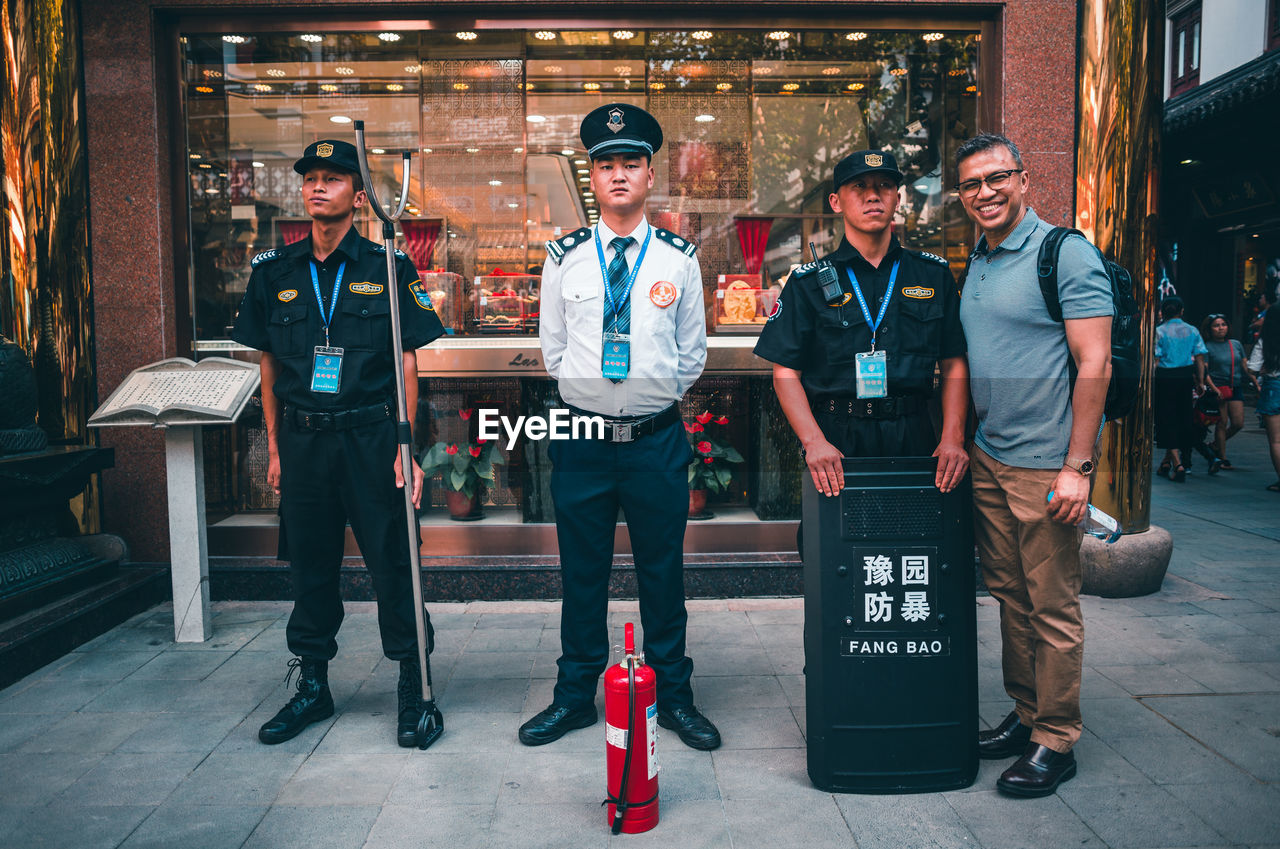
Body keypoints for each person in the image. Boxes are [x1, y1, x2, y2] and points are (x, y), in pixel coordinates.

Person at [231, 139, 445, 747]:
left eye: (332, 178)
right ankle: (313, 686)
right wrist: (275, 448)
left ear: (358, 194)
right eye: (310, 179)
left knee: (394, 562)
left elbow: (406, 365)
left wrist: (407, 446)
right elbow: (268, 367)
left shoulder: (386, 267)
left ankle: (413, 682)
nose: (317, 187)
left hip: (372, 438)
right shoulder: (274, 272)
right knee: (310, 565)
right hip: (304, 445)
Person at [522, 103, 720, 751]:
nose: (617, 175)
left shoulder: (678, 259)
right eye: (605, 164)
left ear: (649, 174)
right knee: (583, 573)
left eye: (629, 163)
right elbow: (554, 352)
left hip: (655, 439)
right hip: (581, 440)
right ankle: (576, 694)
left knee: (663, 573)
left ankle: (675, 695)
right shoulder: (564, 258)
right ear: (592, 175)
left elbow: (692, 354)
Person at [955, 133, 1113, 797]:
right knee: (1011, 599)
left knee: (1051, 607)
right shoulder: (980, 258)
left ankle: (1056, 738)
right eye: (971, 184)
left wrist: (1077, 466)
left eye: (997, 178)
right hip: (991, 457)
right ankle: (1025, 716)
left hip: (1047, 466)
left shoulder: (1064, 253)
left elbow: (1094, 362)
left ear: (1024, 180)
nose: (985, 192)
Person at [753, 149, 969, 511]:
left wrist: (952, 437)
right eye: (860, 187)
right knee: (837, 551)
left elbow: (953, 363)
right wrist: (813, 442)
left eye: (884, 186)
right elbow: (786, 371)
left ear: (897, 200)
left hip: (915, 435)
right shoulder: (807, 283)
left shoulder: (931, 275)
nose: (873, 195)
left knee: (914, 544)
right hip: (836, 437)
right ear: (836, 202)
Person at [1153, 297, 1206, 482]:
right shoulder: (1192, 331)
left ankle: (1176, 464)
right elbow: (1199, 358)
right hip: (1185, 378)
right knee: (1182, 418)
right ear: (1181, 311)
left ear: (1163, 311)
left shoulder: (1159, 332)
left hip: (1164, 378)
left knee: (1166, 419)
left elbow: (1156, 360)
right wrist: (1200, 382)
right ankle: (1168, 463)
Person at [1200, 313, 1259, 470]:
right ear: (1210, 329)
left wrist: (1255, 381)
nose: (1221, 328)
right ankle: (1222, 458)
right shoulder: (1206, 347)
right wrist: (1214, 389)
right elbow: (1204, 372)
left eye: (1223, 325)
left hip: (1236, 386)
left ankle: (1214, 445)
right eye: (1216, 325)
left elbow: (1246, 367)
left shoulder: (1236, 344)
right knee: (1222, 423)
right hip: (1218, 388)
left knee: (1238, 423)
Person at [1247, 308, 1280, 491]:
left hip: (1274, 386)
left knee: (1276, 440)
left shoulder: (1266, 340)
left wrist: (1260, 375)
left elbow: (1252, 368)